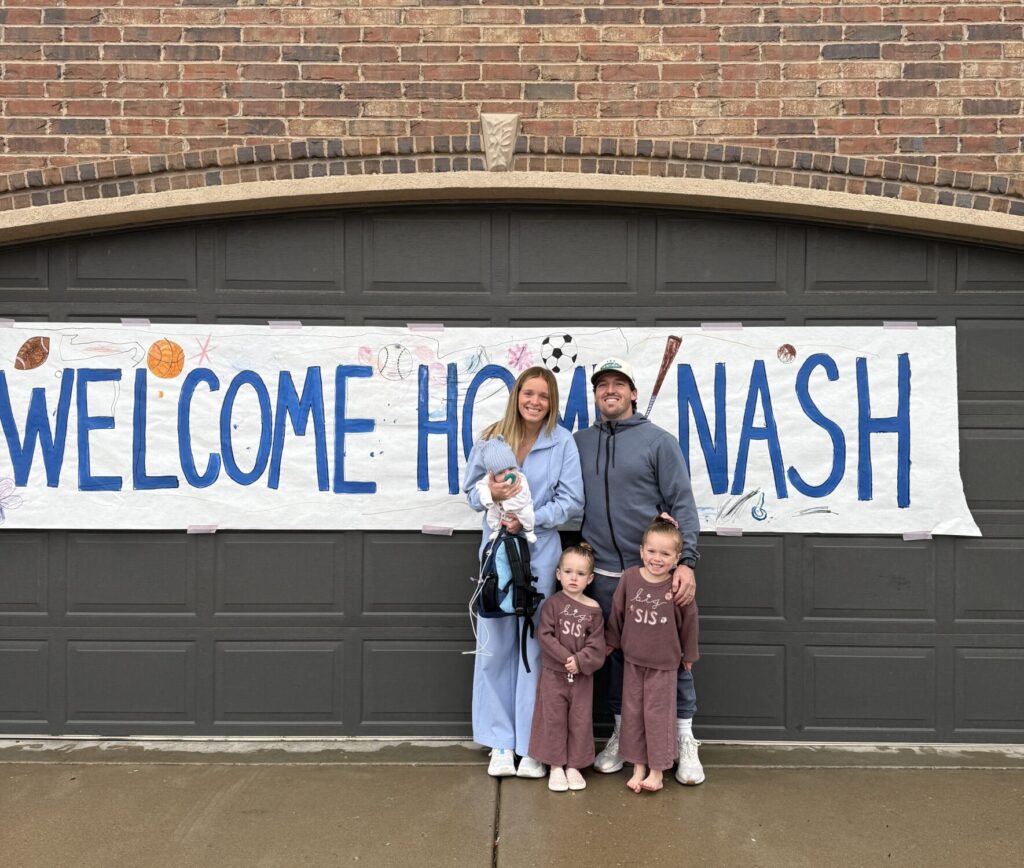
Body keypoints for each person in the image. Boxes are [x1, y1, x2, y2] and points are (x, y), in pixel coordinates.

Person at [573, 356, 704, 786]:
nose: (609, 390)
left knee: (672, 660)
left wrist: (686, 562)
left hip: (653, 575)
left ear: (632, 392)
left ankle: (684, 738)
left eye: (618, 383)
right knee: (615, 661)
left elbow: (682, 503)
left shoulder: (658, 442)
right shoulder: (579, 442)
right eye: (602, 384)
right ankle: (623, 735)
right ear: (596, 394)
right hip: (603, 576)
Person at [463, 366, 584, 778]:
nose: (535, 402)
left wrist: (531, 518)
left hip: (540, 556)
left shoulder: (562, 442)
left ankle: (532, 743)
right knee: (496, 645)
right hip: (498, 556)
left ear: (552, 402)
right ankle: (499, 741)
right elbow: (470, 494)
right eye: (528, 393)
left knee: (536, 648)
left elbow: (572, 501)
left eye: (543, 396)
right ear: (516, 396)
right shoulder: (492, 438)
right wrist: (491, 493)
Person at [605, 517, 699, 793]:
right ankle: (638, 767)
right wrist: (611, 641)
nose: (657, 559)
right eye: (652, 551)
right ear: (642, 550)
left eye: (665, 554)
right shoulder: (630, 578)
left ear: (677, 558)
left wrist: (689, 654)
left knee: (658, 717)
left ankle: (657, 770)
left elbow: (690, 622)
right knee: (633, 714)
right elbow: (617, 613)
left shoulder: (677, 586)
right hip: (633, 661)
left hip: (663, 665)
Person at [527, 542, 605, 792]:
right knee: (554, 719)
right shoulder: (553, 604)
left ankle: (574, 765)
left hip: (581, 678)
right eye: (568, 572)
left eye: (580, 574)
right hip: (554, 675)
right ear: (558, 574)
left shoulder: (593, 609)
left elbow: (597, 645)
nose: (574, 578)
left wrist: (580, 661)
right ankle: (556, 765)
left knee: (579, 720)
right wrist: (566, 658)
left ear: (589, 579)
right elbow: (544, 635)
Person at [473, 436, 537, 543]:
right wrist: (491, 496)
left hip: (519, 508)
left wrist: (511, 508)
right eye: (501, 472)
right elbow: (480, 486)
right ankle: (496, 529)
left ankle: (529, 530)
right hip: (498, 508)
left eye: (511, 469)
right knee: (491, 515)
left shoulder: (520, 478)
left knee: (527, 513)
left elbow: (525, 497)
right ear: (492, 474)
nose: (508, 474)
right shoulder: (489, 479)